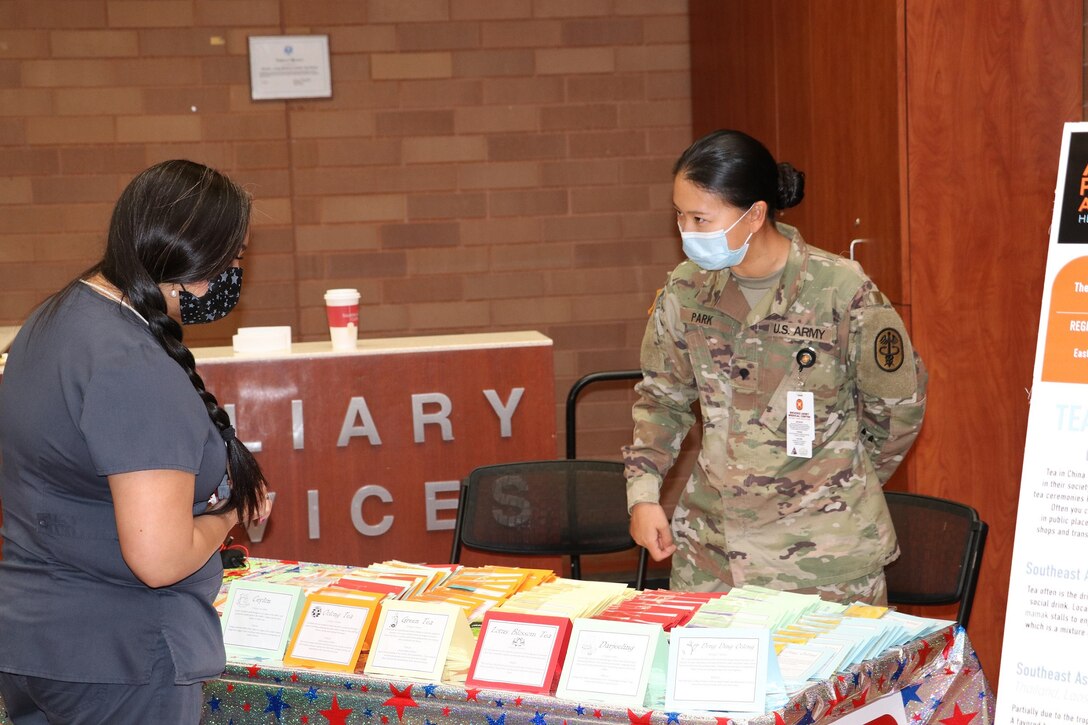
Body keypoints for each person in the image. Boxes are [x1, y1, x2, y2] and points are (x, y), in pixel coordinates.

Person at [0, 159, 271, 723]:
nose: (237, 272)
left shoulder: (51, 321)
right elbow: (159, 558)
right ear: (196, 261)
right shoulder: (131, 362)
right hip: (122, 659)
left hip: (36, 643)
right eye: (236, 257)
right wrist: (227, 514)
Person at [624, 130, 927, 604]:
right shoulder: (686, 291)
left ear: (755, 214)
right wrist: (643, 494)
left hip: (823, 560)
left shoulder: (839, 290)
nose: (687, 230)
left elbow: (896, 409)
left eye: (701, 218)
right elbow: (662, 400)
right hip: (712, 555)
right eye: (680, 215)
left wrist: (835, 476)